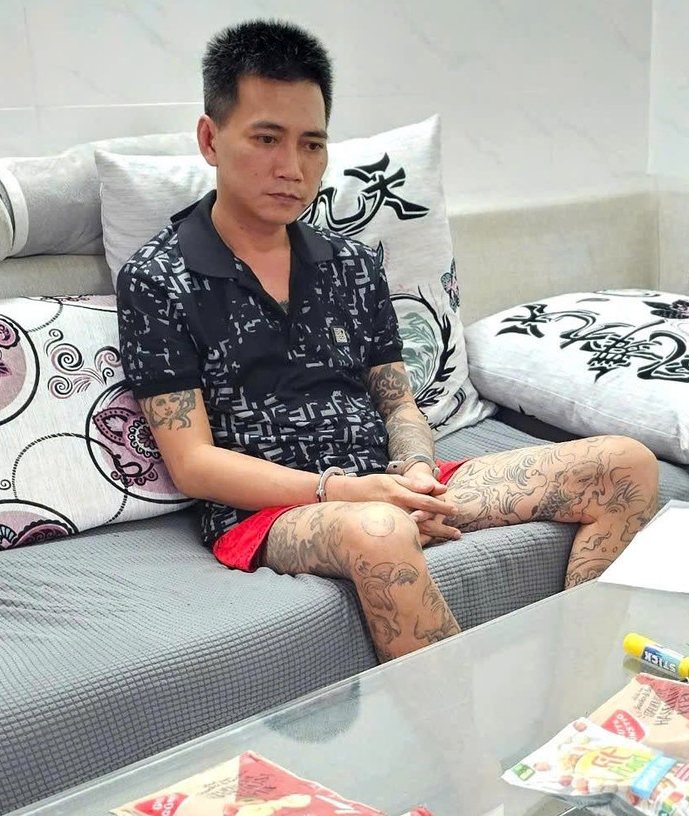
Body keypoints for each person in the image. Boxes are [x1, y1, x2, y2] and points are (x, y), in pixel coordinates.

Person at [115, 20, 659, 662]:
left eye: (312, 145)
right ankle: (469, 728)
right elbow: (194, 464)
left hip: (386, 485)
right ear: (211, 139)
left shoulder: (351, 264)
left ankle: (585, 683)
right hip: (269, 514)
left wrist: (417, 474)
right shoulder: (159, 278)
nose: (292, 168)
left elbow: (397, 403)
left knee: (626, 465)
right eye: (266, 138)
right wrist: (350, 493)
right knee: (378, 531)